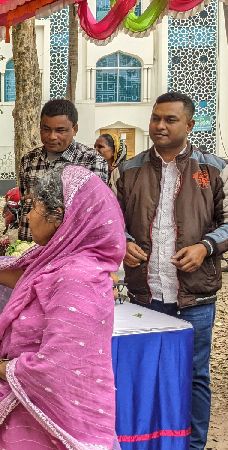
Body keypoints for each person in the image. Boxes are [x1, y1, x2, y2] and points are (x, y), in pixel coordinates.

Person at [0, 165, 125, 449]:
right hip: (28, 414)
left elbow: (58, 367)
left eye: (33, 207)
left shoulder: (76, 277)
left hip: (48, 428)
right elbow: (15, 274)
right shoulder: (58, 260)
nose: (28, 215)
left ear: (58, 217)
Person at [116, 92, 228, 450]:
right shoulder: (128, 169)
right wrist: (124, 240)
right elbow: (109, 222)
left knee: (193, 376)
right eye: (155, 118)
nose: (160, 126)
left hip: (194, 296)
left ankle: (193, 446)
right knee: (144, 374)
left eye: (170, 120)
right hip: (144, 295)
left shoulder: (214, 168)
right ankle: (149, 441)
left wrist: (205, 246)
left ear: (190, 125)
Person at [17, 99, 108, 242]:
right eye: (46, 129)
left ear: (75, 129)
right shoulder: (29, 160)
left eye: (60, 130)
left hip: (68, 253)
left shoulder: (92, 161)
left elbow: (91, 212)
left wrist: (42, 200)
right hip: (27, 248)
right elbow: (24, 204)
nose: (52, 136)